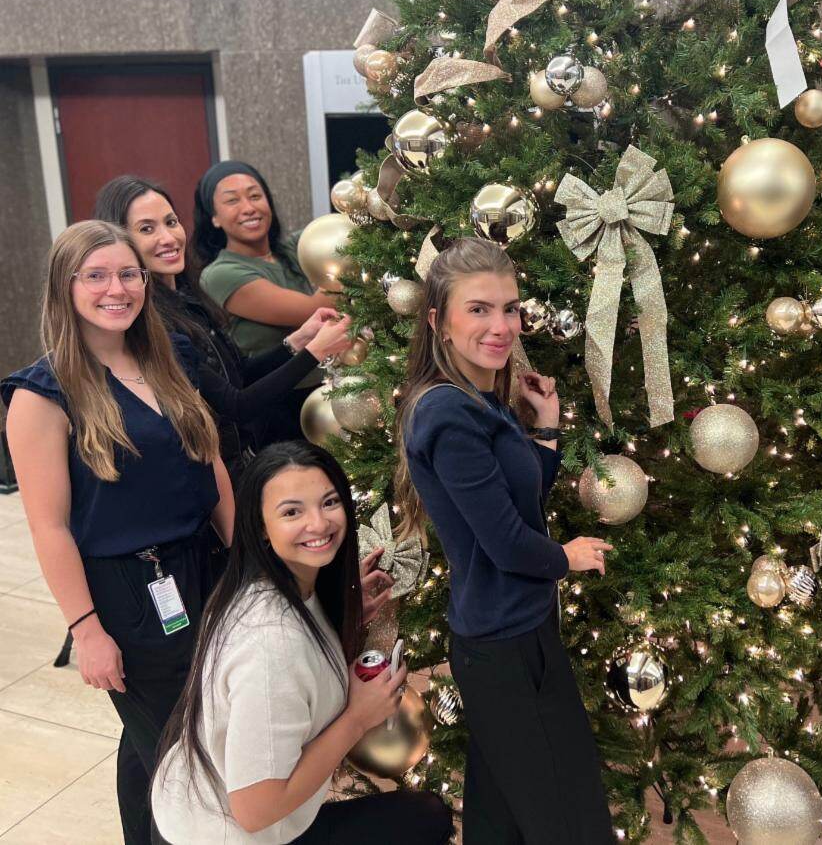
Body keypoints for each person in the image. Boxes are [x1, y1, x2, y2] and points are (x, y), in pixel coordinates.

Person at [2, 220, 236, 845]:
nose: (118, 288)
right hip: (131, 596)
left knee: (151, 745)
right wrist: (86, 631)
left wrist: (248, 564)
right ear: (65, 287)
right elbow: (49, 527)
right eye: (97, 276)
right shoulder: (42, 396)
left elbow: (210, 465)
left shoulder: (163, 361)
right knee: (187, 758)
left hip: (202, 569)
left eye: (128, 274)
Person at [394, 238, 615, 844]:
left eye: (510, 308)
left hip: (511, 632)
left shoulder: (479, 399)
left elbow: (521, 499)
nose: (502, 326)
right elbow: (508, 544)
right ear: (438, 321)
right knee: (568, 819)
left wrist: (545, 429)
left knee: (503, 814)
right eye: (480, 309)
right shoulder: (448, 414)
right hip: (505, 645)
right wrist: (565, 558)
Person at [151, 441, 454, 845]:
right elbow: (255, 809)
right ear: (260, 526)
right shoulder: (271, 645)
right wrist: (356, 720)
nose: (319, 524)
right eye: (292, 511)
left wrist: (341, 613)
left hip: (193, 807)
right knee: (424, 819)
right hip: (226, 833)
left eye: (329, 503)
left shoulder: (269, 586)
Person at [94, 175, 352, 474]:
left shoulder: (189, 298)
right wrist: (316, 352)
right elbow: (235, 406)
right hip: (213, 474)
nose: (168, 238)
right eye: (147, 229)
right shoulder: (151, 322)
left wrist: (298, 341)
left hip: (243, 459)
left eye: (171, 222)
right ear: (120, 240)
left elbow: (238, 374)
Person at [193, 160, 336, 442]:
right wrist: (347, 270)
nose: (248, 208)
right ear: (214, 217)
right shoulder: (219, 274)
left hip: (331, 392)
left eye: (255, 196)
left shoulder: (293, 248)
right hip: (280, 408)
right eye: (232, 201)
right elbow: (311, 311)